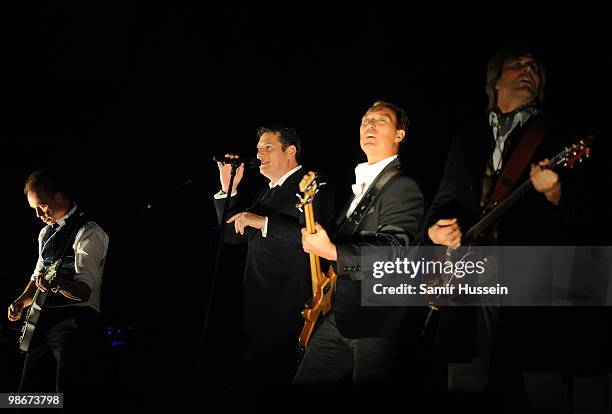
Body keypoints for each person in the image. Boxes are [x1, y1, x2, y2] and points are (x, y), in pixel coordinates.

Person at [421, 47, 590, 411]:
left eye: (535, 67)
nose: (529, 69)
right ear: (496, 80)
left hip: (531, 272)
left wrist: (557, 192)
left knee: (542, 377)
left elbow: (587, 214)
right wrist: (435, 231)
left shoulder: (555, 134)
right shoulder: (465, 138)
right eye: (518, 64)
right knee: (464, 374)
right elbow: (441, 202)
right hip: (466, 270)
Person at [292, 101, 424, 398]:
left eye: (381, 120)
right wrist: (307, 209)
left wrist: (333, 252)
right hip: (341, 315)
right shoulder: (364, 185)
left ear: (399, 135)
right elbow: (335, 239)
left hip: (378, 320)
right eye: (366, 121)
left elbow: (395, 251)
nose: (370, 126)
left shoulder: (402, 185)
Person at [212, 125, 335, 407]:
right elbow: (230, 235)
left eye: (268, 147)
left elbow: (317, 234)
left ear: (290, 152)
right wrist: (226, 187)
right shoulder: (266, 194)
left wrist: (264, 222)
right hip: (259, 310)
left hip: (291, 308)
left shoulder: (312, 183)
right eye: (258, 148)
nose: (259, 154)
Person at [7, 169, 109, 411]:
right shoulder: (46, 233)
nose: (38, 215)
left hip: (75, 321)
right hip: (44, 320)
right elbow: (37, 276)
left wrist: (59, 285)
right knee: (25, 397)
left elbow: (84, 291)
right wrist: (21, 302)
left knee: (67, 394)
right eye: (34, 209)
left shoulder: (89, 231)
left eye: (41, 206)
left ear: (59, 197)